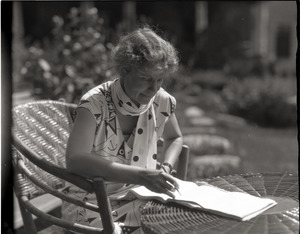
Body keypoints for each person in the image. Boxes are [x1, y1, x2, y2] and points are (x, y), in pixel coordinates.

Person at [62, 26, 183, 234]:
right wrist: (141, 175)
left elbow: (175, 137)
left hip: (140, 197)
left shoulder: (161, 100)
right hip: (91, 204)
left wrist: (166, 168)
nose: (154, 89)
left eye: (160, 80)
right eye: (146, 79)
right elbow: (75, 159)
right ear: (125, 70)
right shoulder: (94, 104)